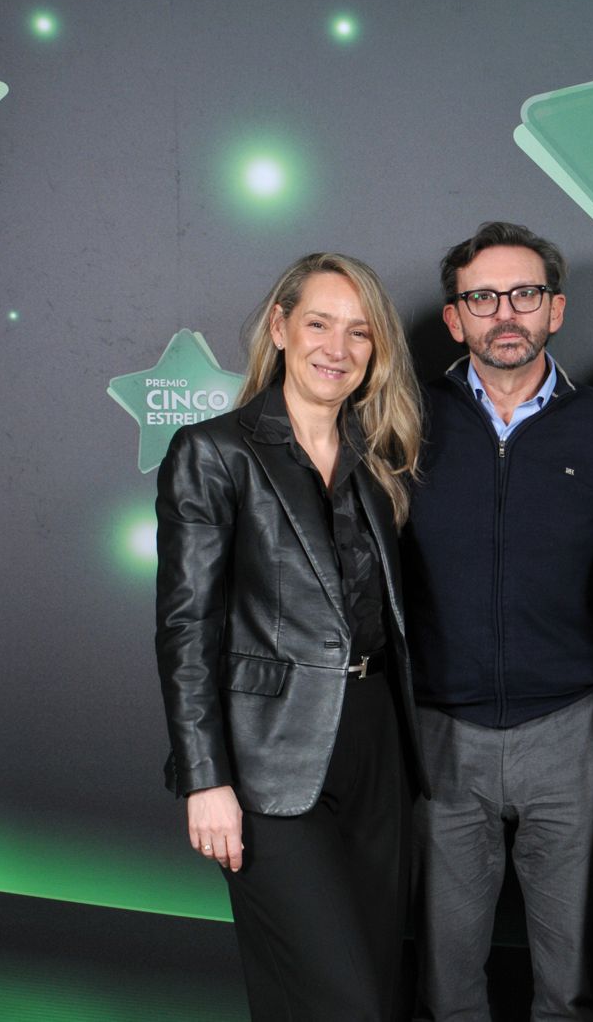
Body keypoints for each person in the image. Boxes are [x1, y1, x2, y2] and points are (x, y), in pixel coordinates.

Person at [155, 252, 428, 1019]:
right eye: (319, 324)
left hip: (377, 744)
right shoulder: (215, 452)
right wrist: (205, 779)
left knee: (373, 990)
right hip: (268, 758)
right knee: (345, 1001)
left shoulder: (377, 459)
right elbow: (186, 629)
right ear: (279, 328)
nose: (338, 348)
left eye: (360, 332)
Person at [402, 221, 593, 1021]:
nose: (504, 313)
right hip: (441, 734)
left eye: (524, 294)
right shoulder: (401, 422)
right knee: (445, 981)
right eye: (482, 298)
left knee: (574, 980)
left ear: (556, 309)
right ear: (454, 319)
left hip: (571, 732)